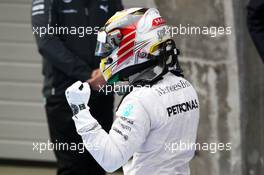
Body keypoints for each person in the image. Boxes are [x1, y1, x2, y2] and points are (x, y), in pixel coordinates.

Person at [65, 8, 200, 175]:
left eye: (110, 45)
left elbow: (110, 160)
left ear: (134, 43)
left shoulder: (139, 100)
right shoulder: (185, 86)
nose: (105, 54)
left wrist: (80, 110)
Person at [31, 0, 123, 175]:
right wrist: (87, 75)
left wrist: (107, 70)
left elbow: (122, 33)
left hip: (101, 90)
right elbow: (46, 41)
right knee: (72, 166)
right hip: (63, 94)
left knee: (99, 163)